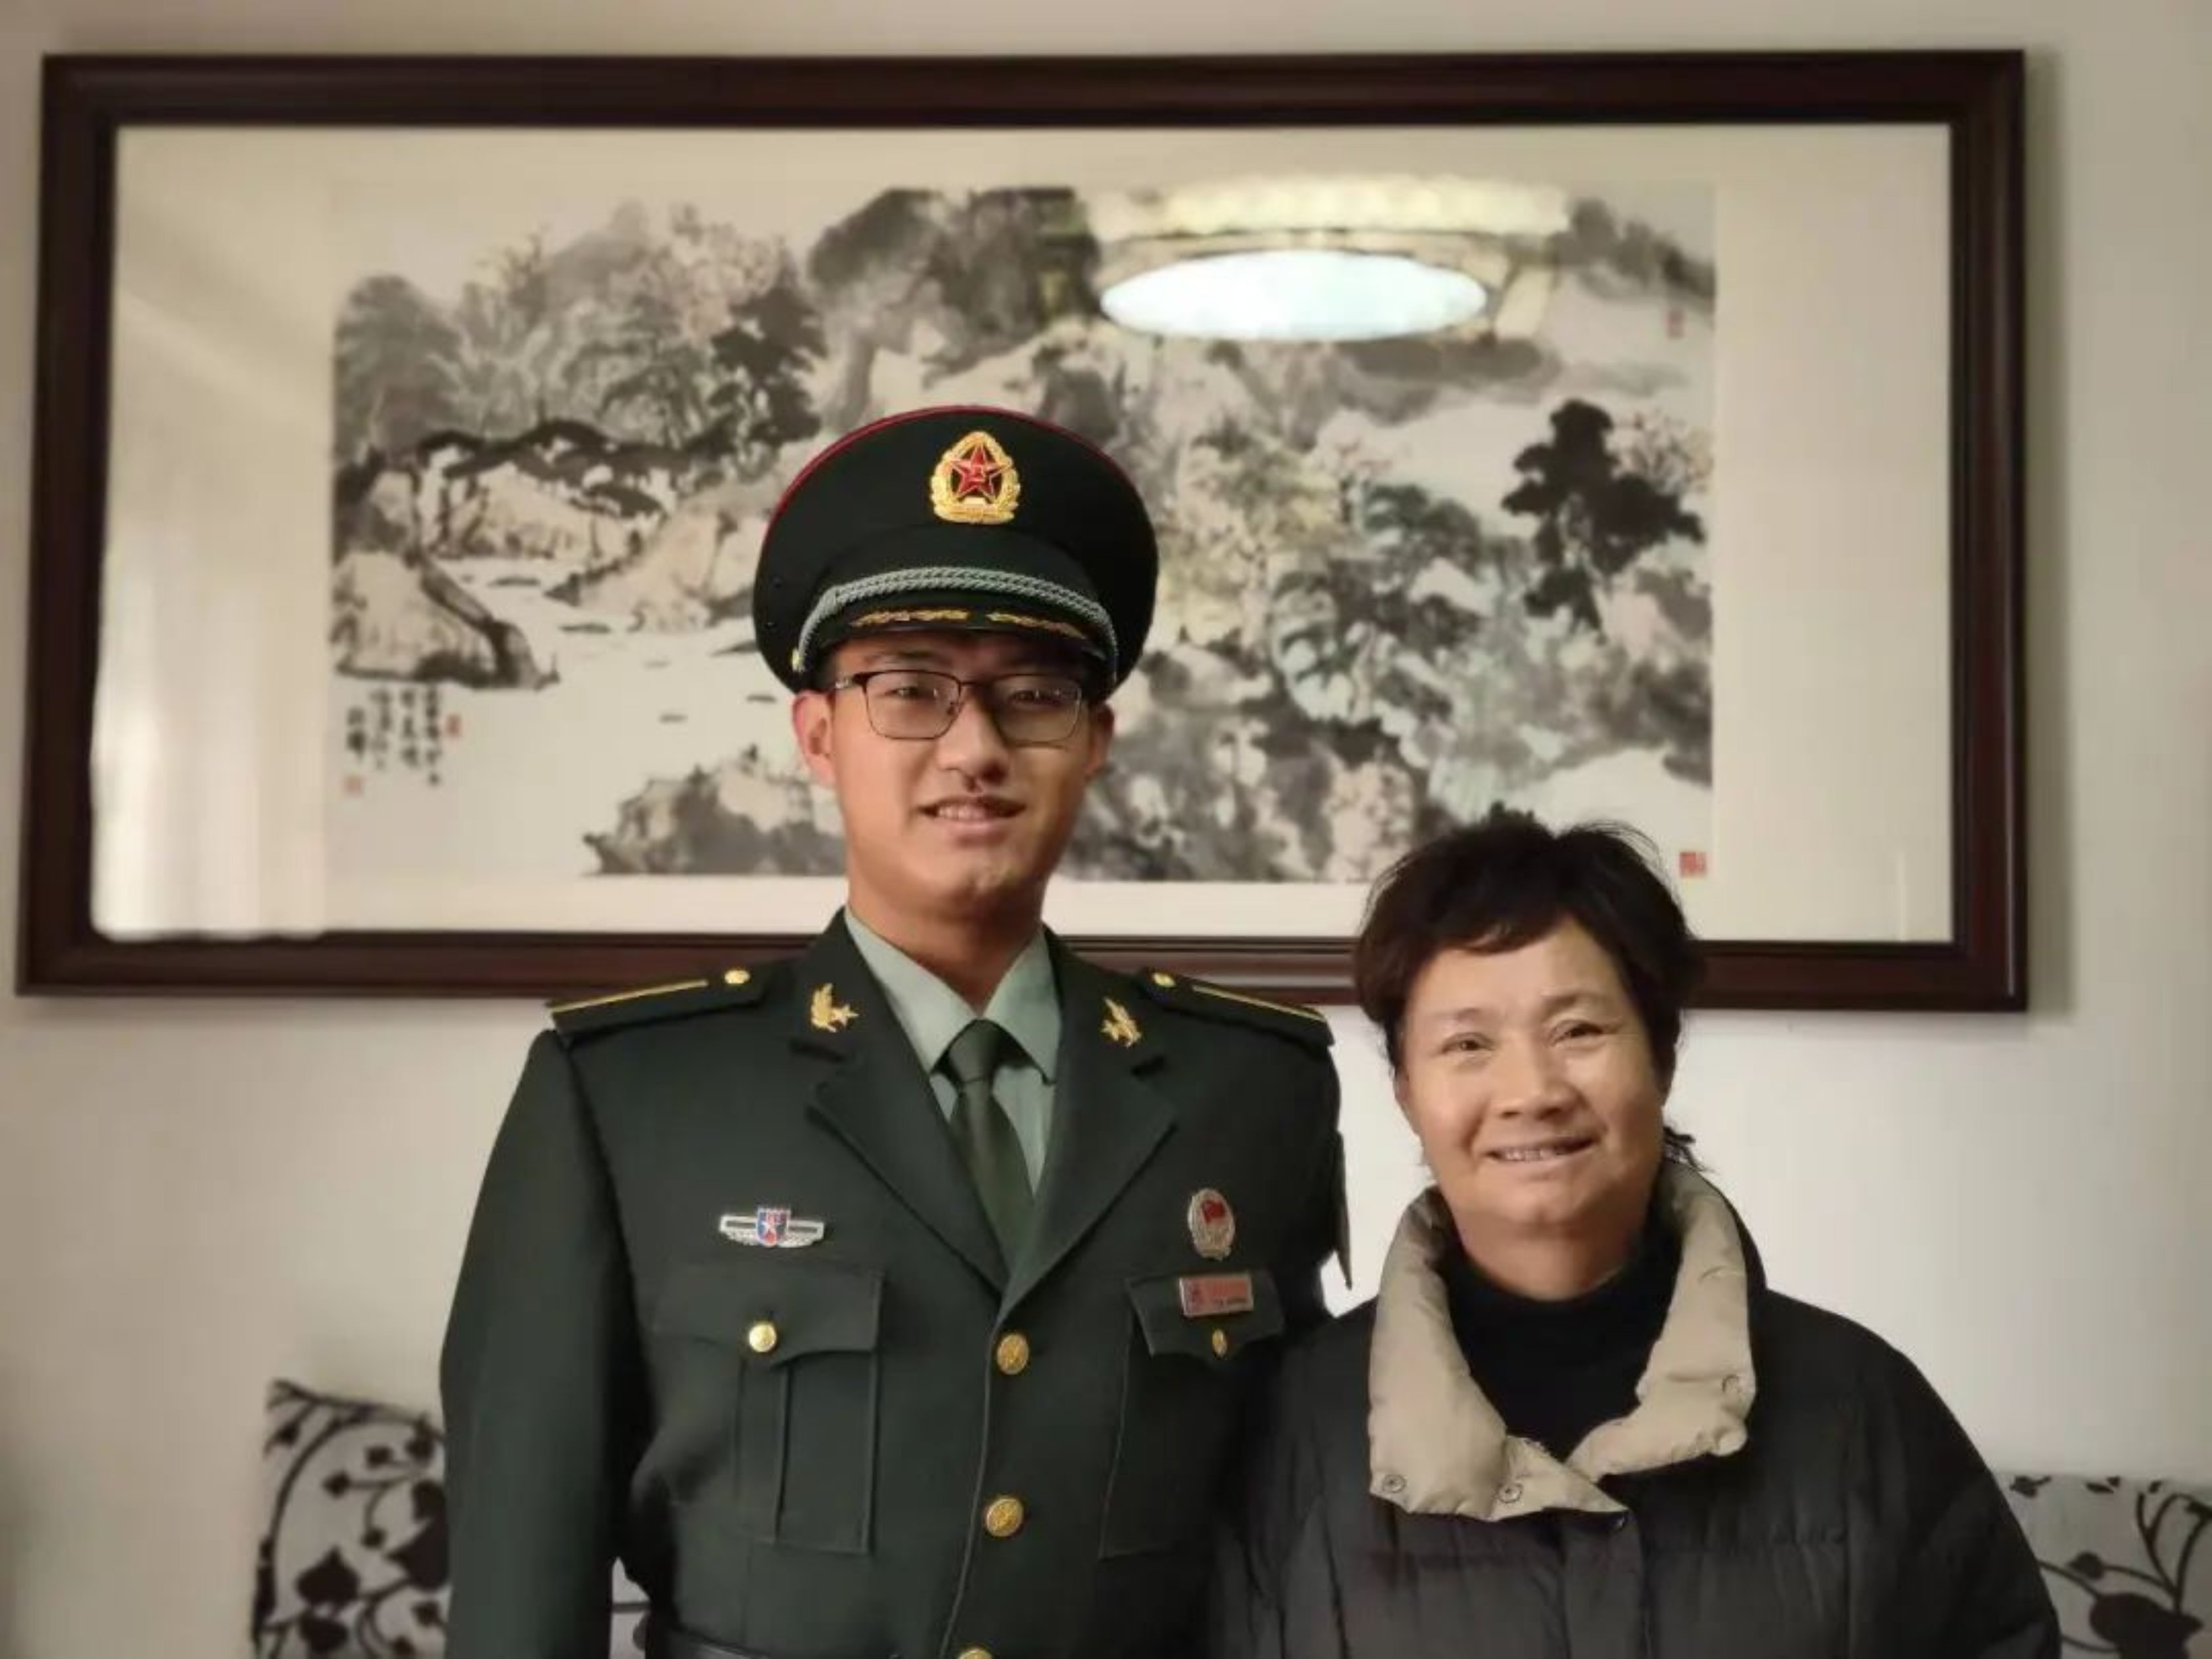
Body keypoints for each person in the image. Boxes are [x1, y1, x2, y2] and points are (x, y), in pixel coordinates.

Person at [440, 405, 1346, 1659]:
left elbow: (1294, 1539)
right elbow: (519, 1583)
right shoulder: (630, 1098)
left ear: (1095, 742)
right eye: (911, 689)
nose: (975, 748)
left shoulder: (1250, 1092)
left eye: (1034, 695)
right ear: (818, 735)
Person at [1210, 812, 2057, 1658]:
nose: (1531, 1091)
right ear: (1405, 1090)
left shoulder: (1863, 1408)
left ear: (1662, 1055)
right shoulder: (1298, 1427)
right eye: (1467, 1043)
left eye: (1578, 1030)